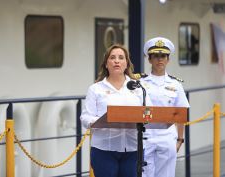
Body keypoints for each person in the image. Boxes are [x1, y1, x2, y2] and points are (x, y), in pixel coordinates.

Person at [80, 44, 151, 177]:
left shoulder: (139, 88)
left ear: (126, 64)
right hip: (104, 150)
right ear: (106, 64)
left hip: (133, 150)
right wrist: (104, 120)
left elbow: (149, 113)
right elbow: (85, 118)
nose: (116, 61)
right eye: (112, 58)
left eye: (121, 58)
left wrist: (141, 118)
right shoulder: (95, 89)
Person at [140, 37, 190, 177]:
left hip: (167, 136)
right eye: (155, 56)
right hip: (145, 136)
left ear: (168, 59)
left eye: (163, 56)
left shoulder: (176, 85)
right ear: (149, 59)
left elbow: (181, 113)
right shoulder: (140, 82)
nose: (159, 59)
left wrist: (180, 139)